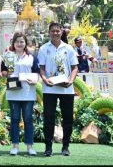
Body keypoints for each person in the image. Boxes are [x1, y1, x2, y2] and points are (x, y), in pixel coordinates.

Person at [38, 22, 78, 157]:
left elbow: (74, 68)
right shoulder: (43, 49)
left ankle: (65, 146)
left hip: (66, 89)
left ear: (62, 32)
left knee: (68, 119)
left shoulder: (69, 48)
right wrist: (45, 80)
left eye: (57, 31)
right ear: (49, 32)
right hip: (49, 89)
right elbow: (42, 68)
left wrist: (71, 81)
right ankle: (48, 147)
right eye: (53, 31)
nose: (55, 33)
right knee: (48, 119)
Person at [4, 32, 39, 156]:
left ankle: (30, 146)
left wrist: (35, 80)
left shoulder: (32, 57)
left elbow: (37, 72)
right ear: (13, 43)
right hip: (13, 92)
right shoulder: (8, 56)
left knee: (28, 119)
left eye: (22, 41)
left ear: (25, 43)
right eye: (17, 41)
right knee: (14, 119)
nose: (19, 44)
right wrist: (6, 74)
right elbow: (3, 71)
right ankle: (15, 146)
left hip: (28, 92)